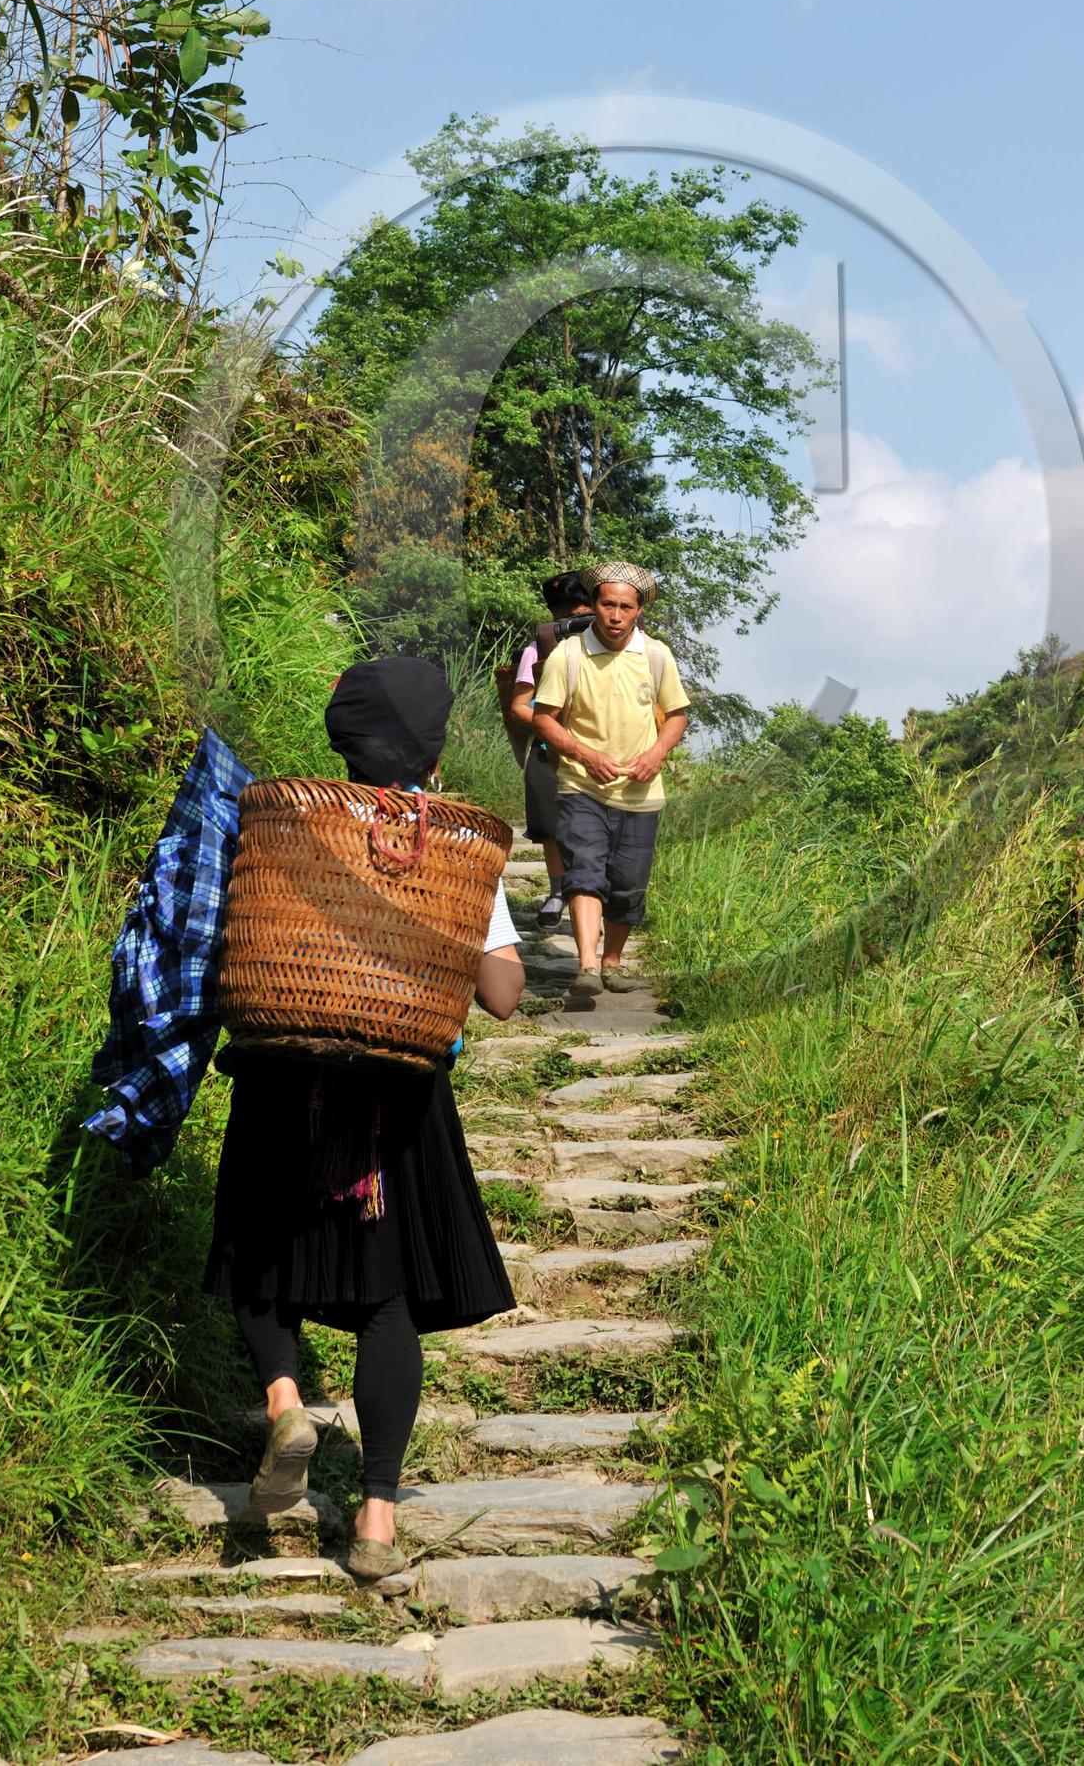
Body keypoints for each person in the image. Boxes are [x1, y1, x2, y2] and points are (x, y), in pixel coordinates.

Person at [201, 656, 525, 1582]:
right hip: (399, 1096)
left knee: (258, 1255)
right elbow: (503, 994)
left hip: (283, 1073)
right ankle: (377, 1517)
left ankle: (284, 1402)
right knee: (388, 1303)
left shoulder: (290, 820)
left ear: (343, 743)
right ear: (432, 753)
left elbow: (229, 939)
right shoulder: (447, 843)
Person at [530, 561, 689, 1007]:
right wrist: (585, 755)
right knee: (585, 872)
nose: (615, 616)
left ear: (639, 610)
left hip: (640, 792)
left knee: (628, 885)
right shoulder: (568, 655)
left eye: (625, 607)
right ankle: (587, 966)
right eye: (607, 605)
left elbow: (677, 716)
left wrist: (657, 754)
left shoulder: (656, 655)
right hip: (581, 785)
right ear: (594, 605)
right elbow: (544, 718)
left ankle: (613, 962)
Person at [508, 570, 593, 931]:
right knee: (550, 825)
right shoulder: (539, 648)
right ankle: (558, 892)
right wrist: (554, 730)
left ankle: (587, 896)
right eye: (565, 617)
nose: (574, 624)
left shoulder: (619, 646)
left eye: (580, 615)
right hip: (548, 751)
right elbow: (519, 706)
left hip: (603, 751)